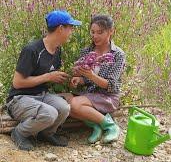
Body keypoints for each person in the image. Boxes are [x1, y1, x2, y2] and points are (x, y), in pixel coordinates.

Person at [5, 10, 81, 151]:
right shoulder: (32, 50)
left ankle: (45, 133)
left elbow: (48, 77)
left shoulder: (57, 50)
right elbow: (17, 83)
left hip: (41, 96)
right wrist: (48, 77)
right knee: (50, 113)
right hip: (19, 99)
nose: (72, 31)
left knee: (64, 108)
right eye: (70, 27)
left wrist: (67, 78)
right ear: (60, 28)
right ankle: (19, 133)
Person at [68, 15, 125, 144]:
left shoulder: (117, 54)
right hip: (90, 94)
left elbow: (110, 85)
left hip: (107, 96)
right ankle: (96, 126)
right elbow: (86, 79)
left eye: (100, 32)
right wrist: (79, 79)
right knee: (65, 104)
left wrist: (91, 75)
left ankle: (111, 126)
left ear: (111, 31)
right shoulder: (86, 51)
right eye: (93, 32)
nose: (95, 36)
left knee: (74, 104)